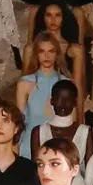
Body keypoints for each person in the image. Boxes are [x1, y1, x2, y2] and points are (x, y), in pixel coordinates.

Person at [14, 30, 67, 160]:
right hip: (29, 147)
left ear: (57, 54)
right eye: (42, 51)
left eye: (51, 51)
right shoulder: (24, 84)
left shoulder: (66, 84)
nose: (46, 56)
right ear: (36, 54)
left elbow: (72, 122)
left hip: (59, 148)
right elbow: (18, 122)